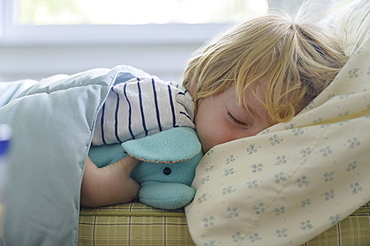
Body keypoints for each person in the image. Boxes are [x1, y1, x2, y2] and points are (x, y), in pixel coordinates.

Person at [81, 0, 368, 207]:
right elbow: (61, 129)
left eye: (274, 138)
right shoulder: (159, 105)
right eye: (239, 119)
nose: (246, 144)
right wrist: (94, 186)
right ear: (200, 85)